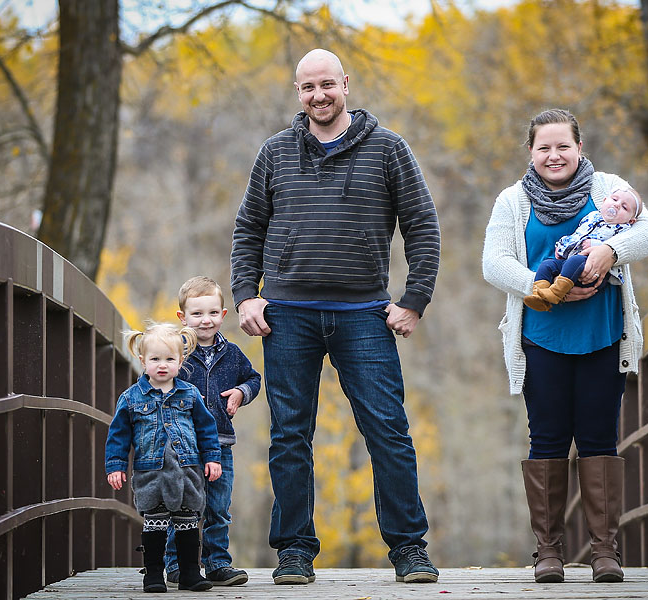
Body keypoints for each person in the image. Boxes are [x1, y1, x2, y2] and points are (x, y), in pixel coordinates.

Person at [230, 48, 441, 585]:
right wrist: (245, 295)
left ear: (345, 83)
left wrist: (413, 300)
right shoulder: (274, 152)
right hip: (287, 315)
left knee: (388, 432)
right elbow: (248, 229)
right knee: (289, 436)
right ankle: (295, 551)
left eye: (327, 84)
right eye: (307, 88)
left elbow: (422, 226)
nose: (318, 96)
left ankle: (410, 550)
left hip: (364, 314)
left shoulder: (389, 148)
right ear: (297, 92)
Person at [482, 109, 648, 584]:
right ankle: (549, 553)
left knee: (600, 439)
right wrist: (540, 288)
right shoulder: (513, 201)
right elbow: (493, 262)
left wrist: (609, 251)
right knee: (547, 441)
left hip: (603, 336)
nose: (554, 155)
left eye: (563, 146)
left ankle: (605, 552)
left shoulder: (607, 188)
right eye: (544, 147)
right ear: (531, 152)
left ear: (580, 148)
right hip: (542, 340)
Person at [104, 322, 222, 593]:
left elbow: (206, 429)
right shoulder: (132, 398)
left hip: (187, 469)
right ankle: (154, 574)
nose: (162, 365)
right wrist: (116, 466)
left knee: (188, 520)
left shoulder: (190, 395)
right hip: (151, 471)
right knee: (155, 521)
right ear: (143, 360)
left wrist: (212, 458)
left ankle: (190, 573)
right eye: (155, 359)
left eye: (170, 359)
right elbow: (118, 435)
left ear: (180, 361)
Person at [162, 276, 262, 587]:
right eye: (197, 314)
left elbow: (254, 378)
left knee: (219, 507)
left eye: (213, 313)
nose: (206, 321)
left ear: (223, 314)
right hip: (182, 445)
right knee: (183, 505)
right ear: (183, 317)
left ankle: (217, 563)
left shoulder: (231, 353)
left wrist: (240, 393)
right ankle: (177, 563)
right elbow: (154, 380)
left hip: (221, 445)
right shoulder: (174, 352)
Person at [524, 187, 643, 311]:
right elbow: (577, 235)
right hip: (571, 262)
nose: (617, 205)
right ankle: (539, 295)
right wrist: (562, 246)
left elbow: (623, 244)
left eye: (624, 207)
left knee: (574, 261)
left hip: (593, 271)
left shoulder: (623, 228)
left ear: (631, 220)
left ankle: (555, 293)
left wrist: (596, 244)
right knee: (547, 265)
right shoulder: (592, 217)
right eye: (614, 199)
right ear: (604, 200)